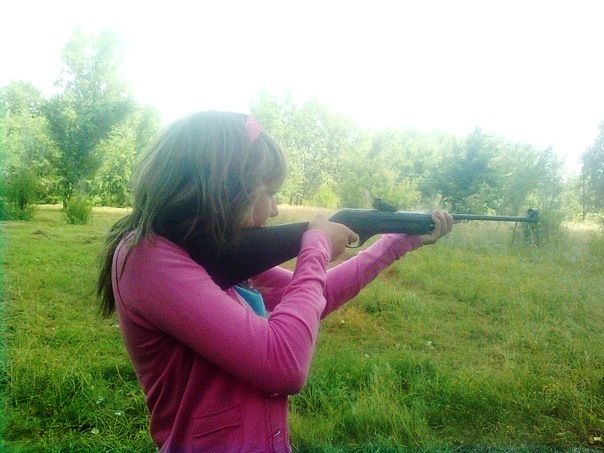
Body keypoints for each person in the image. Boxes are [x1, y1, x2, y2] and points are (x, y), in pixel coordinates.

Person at [97, 111, 453, 452]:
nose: (274, 209)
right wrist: (315, 249)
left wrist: (395, 243)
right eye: (269, 192)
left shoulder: (212, 250)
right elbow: (285, 363)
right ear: (227, 189)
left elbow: (315, 295)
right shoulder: (148, 258)